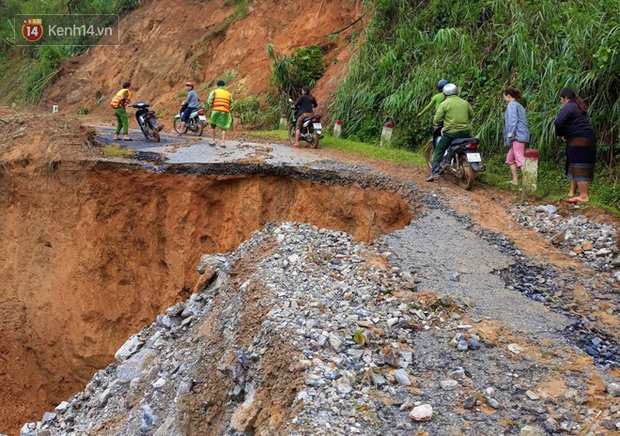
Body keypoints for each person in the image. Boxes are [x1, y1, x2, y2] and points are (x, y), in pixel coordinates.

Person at [554, 87, 596, 203]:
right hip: (588, 137)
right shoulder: (579, 105)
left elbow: (558, 121)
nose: (562, 102)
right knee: (574, 164)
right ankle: (572, 191)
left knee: (579, 166)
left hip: (578, 139)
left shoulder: (568, 106)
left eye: (561, 99)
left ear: (565, 98)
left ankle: (583, 196)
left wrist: (561, 134)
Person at [427, 83, 474, 182]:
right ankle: (451, 160)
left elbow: (437, 118)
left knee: (439, 150)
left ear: (445, 94)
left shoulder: (445, 104)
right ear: (456, 92)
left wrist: (436, 123)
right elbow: (471, 115)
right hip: (465, 132)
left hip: (451, 133)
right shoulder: (465, 103)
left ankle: (434, 173)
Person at [502, 86, 530, 186]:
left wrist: (511, 134)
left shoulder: (512, 105)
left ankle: (529, 184)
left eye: (504, 97)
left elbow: (513, 121)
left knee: (520, 160)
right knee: (510, 159)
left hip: (518, 136)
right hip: (521, 135)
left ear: (508, 96)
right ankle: (515, 181)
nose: (504, 99)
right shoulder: (518, 105)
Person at [418, 79, 448, 147]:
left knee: (436, 130)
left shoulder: (437, 96)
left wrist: (421, 113)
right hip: (449, 118)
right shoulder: (450, 96)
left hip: (439, 118)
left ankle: (438, 143)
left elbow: (428, 106)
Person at [207, 80, 233, 148]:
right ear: (224, 86)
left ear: (218, 86)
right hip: (225, 111)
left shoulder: (214, 91)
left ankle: (213, 141)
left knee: (213, 125)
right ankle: (223, 143)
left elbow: (209, 101)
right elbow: (231, 104)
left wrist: (211, 105)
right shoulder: (228, 93)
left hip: (216, 110)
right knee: (223, 128)